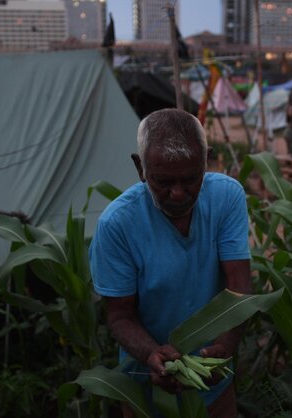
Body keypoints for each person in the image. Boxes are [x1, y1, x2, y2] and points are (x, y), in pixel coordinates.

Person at [89, 108, 252, 417]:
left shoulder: (227, 198)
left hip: (211, 380)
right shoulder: (117, 224)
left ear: (208, 162)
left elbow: (239, 287)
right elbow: (119, 316)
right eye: (162, 181)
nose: (178, 194)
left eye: (191, 180)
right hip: (144, 386)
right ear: (140, 168)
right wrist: (151, 353)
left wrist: (225, 348)